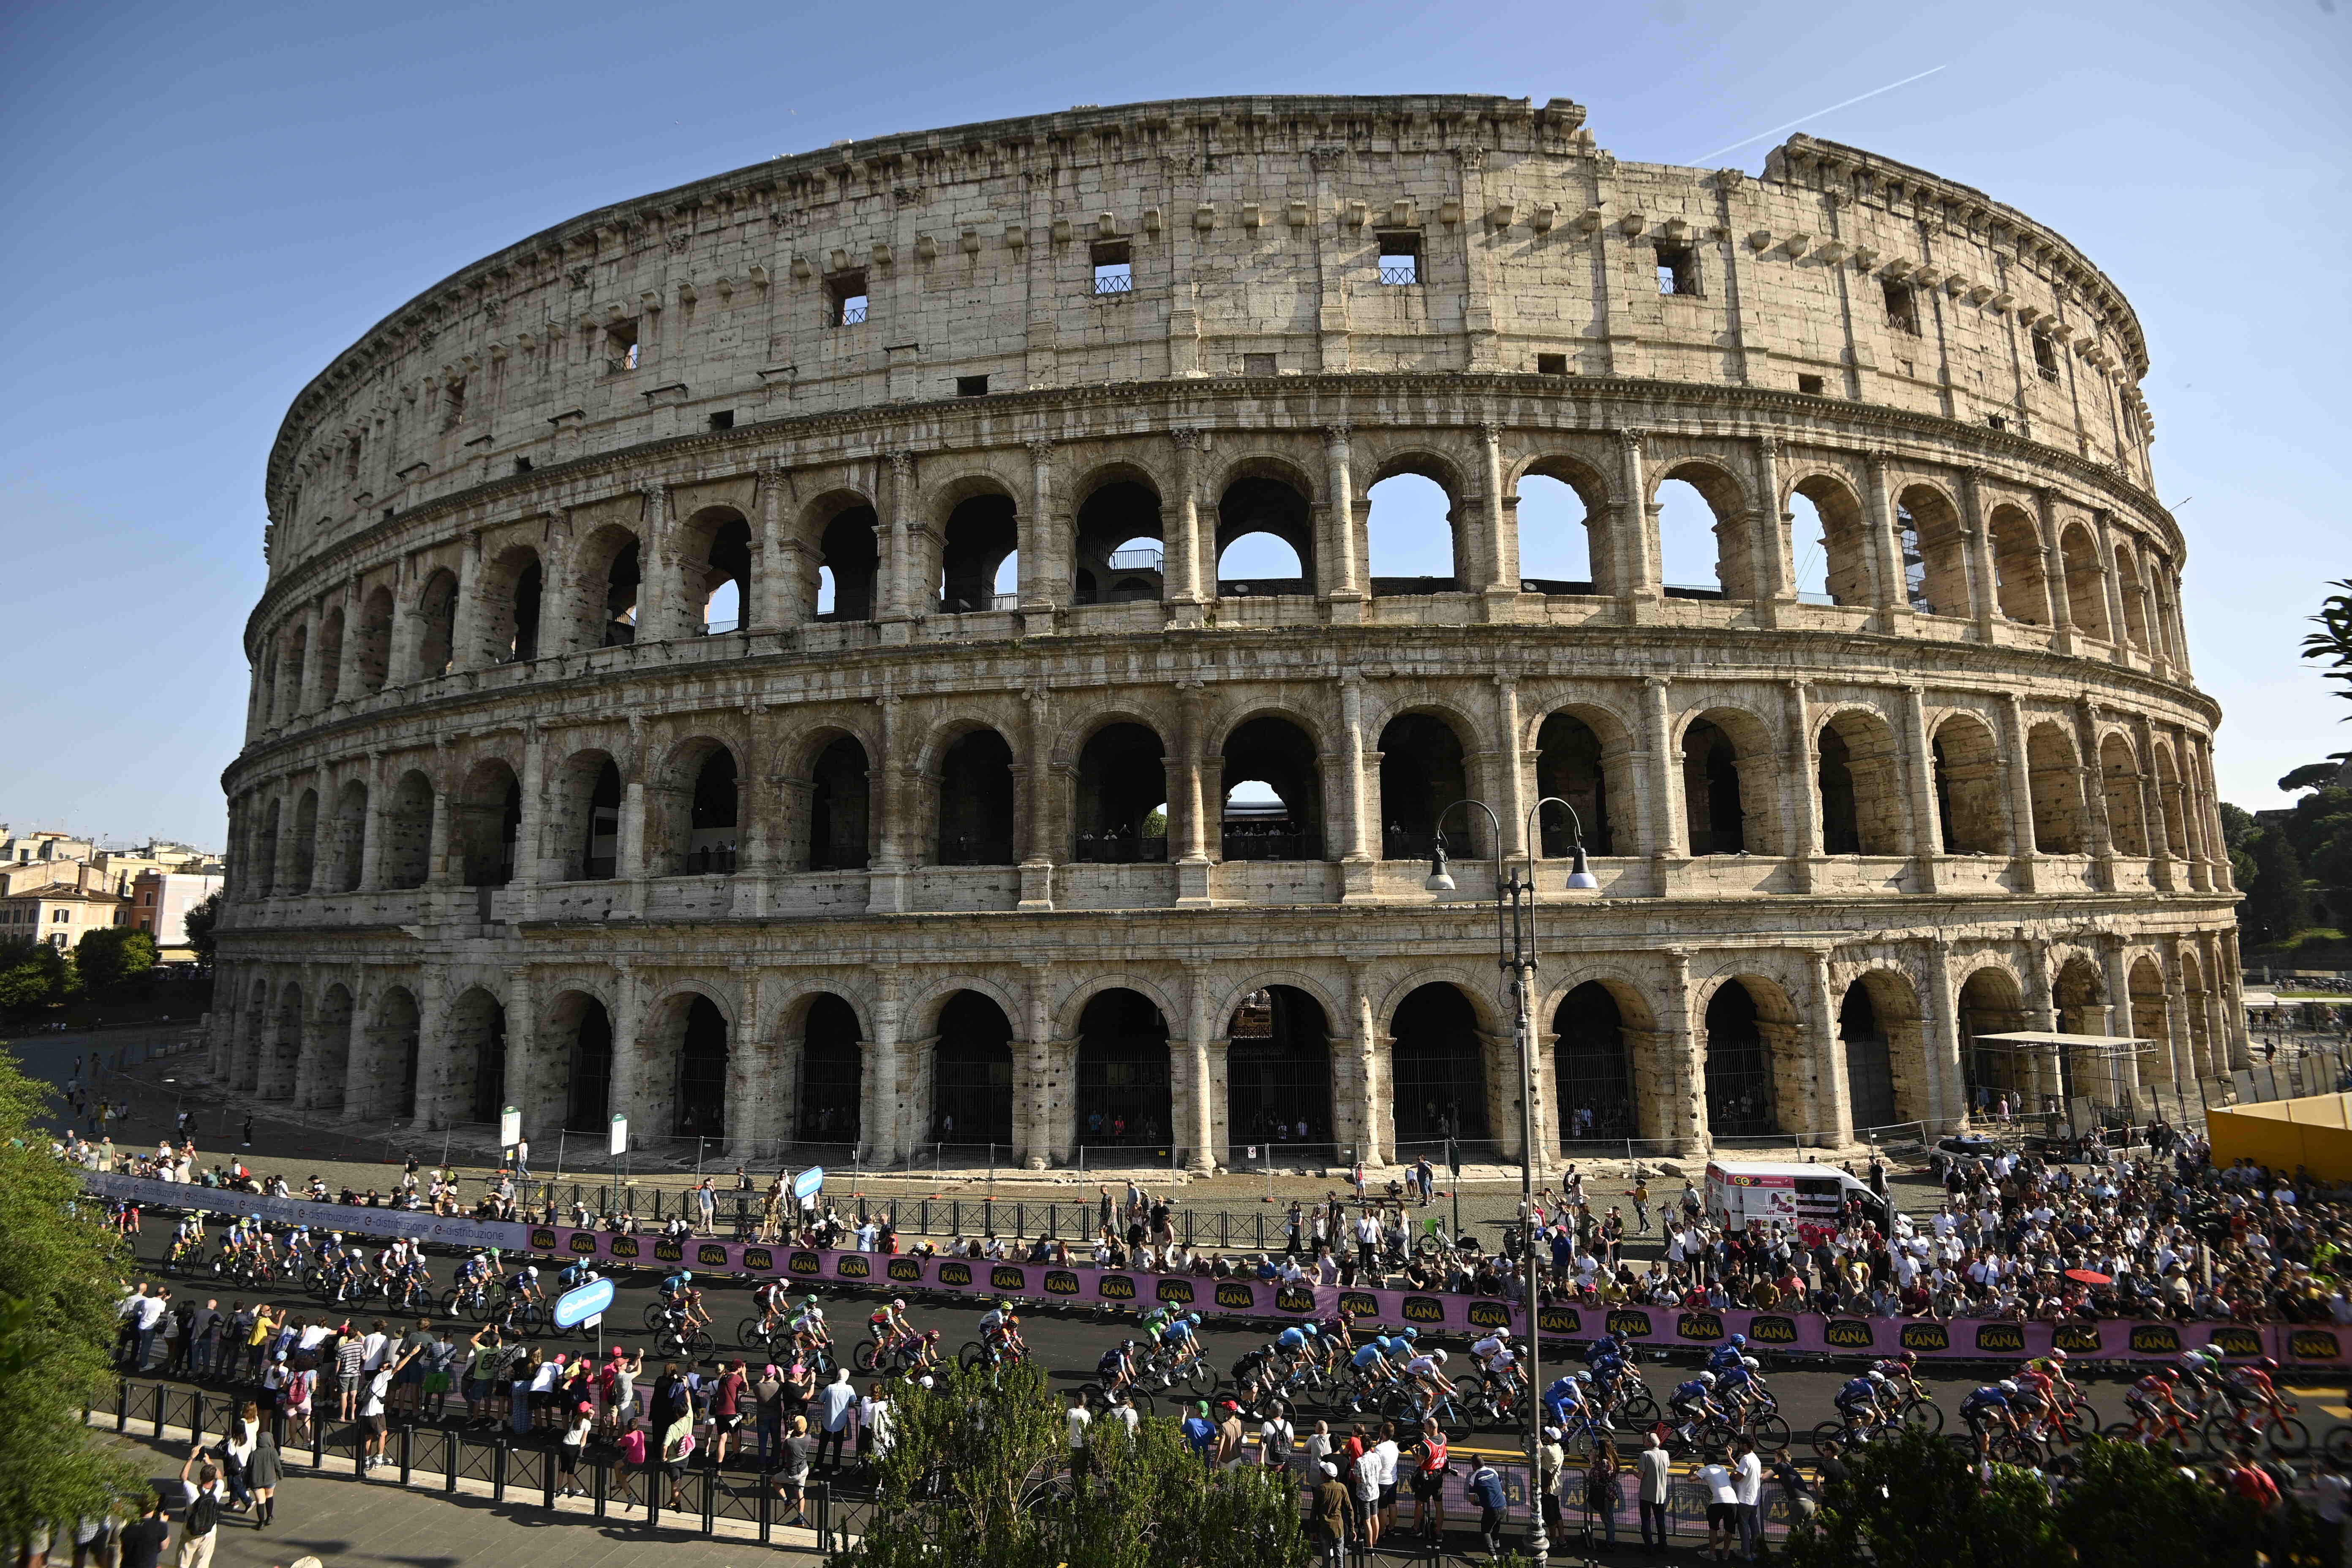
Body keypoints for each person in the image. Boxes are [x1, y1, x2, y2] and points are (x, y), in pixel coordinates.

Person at [1697, 1451, 1739, 1563]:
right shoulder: (1723, 1469)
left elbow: (1691, 1479)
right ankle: (1726, 1553)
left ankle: (1712, 1554)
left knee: (1713, 1529)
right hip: (1733, 1501)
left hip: (1717, 1502)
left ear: (1706, 1461)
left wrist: (1692, 1471)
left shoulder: (1705, 1469)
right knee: (1729, 1530)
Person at [176, 1467, 221, 1568]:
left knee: (183, 1563)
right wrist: (209, 1461)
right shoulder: (219, 1489)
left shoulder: (192, 1490)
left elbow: (183, 1477)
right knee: (203, 1563)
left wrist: (191, 1458)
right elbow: (220, 1477)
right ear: (213, 1479)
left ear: (200, 1478)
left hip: (191, 1531)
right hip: (210, 1532)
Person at [1636, 1430, 1672, 1553]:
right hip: (1661, 1493)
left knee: (1646, 1520)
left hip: (1647, 1493)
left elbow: (1640, 1476)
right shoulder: (1665, 1453)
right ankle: (1664, 1545)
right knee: (1660, 1520)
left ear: (1649, 1443)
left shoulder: (1645, 1455)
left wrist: (1631, 1472)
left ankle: (1649, 1546)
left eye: (1645, 1439)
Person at [814, 1367, 857, 1470]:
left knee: (822, 1445)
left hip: (827, 1421)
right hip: (841, 1422)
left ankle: (817, 1467)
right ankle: (836, 1468)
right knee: (837, 1447)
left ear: (838, 1376)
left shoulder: (829, 1388)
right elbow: (853, 1403)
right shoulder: (849, 1389)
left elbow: (820, 1401)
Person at [1583, 1438, 1622, 1548]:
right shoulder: (1612, 1458)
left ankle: (1611, 1543)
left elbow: (1595, 1477)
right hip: (1611, 1492)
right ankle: (1610, 1540)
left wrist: (1592, 1463)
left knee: (1607, 1518)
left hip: (1605, 1493)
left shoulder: (1604, 1462)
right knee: (1609, 1517)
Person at [1731, 1437, 1764, 1562]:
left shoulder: (1745, 1459)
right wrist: (1730, 1458)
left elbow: (1739, 1477)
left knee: (1744, 1527)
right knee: (1754, 1526)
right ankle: (1755, 1551)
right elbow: (1742, 1470)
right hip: (1754, 1499)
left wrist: (1732, 1476)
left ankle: (1745, 1552)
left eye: (1740, 1444)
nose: (1739, 1446)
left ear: (1745, 1446)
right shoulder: (1756, 1459)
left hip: (1744, 1499)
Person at [1312, 1461, 1351, 1565]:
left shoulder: (1320, 1489)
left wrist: (1313, 1530)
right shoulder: (1342, 1488)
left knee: (1326, 1561)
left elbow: (1314, 1511)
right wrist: (1352, 1528)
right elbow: (1350, 1509)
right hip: (1338, 1528)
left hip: (1324, 1528)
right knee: (1340, 1561)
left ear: (1325, 1475)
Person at [118, 1492, 170, 1568]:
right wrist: (164, 1523)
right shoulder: (160, 1526)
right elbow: (164, 1546)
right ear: (153, 1508)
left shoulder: (128, 1526)